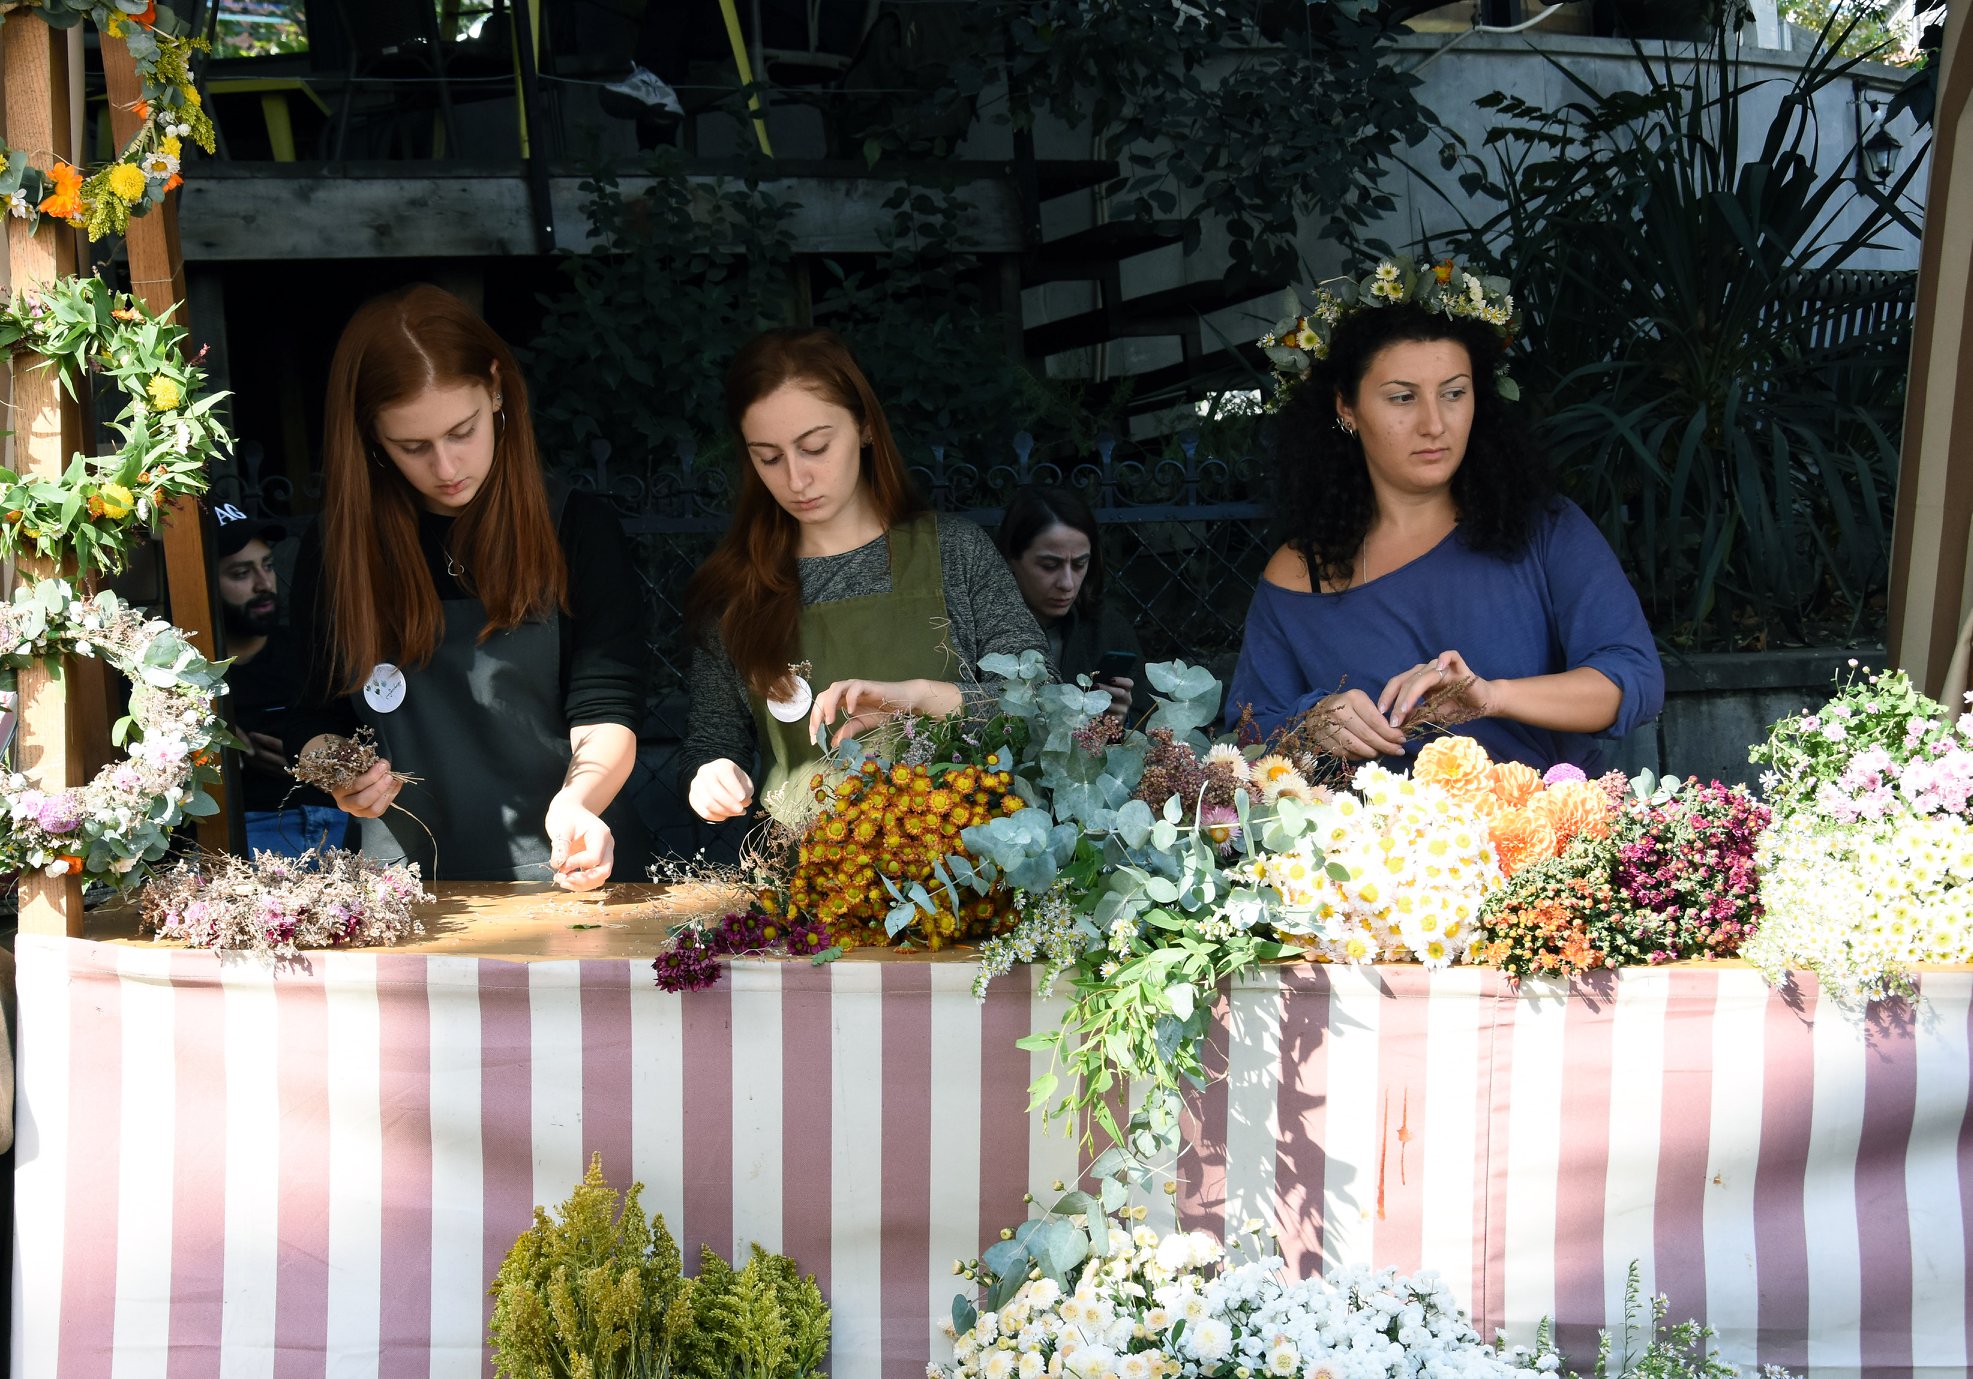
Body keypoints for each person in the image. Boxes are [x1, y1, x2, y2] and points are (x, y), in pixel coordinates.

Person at [1224, 259, 1663, 773]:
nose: (1434, 423)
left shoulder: (1544, 527)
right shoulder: (1299, 573)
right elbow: (1244, 741)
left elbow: (1635, 680)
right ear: (1347, 408)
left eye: (1454, 393)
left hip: (1547, 817)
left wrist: (1492, 696)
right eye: (1402, 398)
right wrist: (1311, 724)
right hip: (1366, 826)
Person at [285, 285, 649, 888]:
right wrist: (339, 774)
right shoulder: (338, 548)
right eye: (413, 447)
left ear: (497, 388)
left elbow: (606, 705)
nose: (446, 468)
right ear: (371, 435)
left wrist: (578, 801)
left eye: (463, 431)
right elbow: (308, 718)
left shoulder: (576, 526)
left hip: (575, 863)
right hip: (400, 889)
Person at [680, 326, 1047, 822]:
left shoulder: (955, 553)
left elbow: (1041, 705)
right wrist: (710, 776)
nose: (796, 479)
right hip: (811, 866)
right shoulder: (737, 592)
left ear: (866, 428)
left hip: (971, 862)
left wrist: (916, 699)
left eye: (815, 447)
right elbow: (711, 741)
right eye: (769, 457)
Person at [211, 502, 353, 856]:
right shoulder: (185, 673)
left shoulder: (310, 653)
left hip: (342, 821)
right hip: (247, 832)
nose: (264, 584)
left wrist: (309, 759)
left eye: (268, 566)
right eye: (241, 573)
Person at [995, 484, 1152, 722]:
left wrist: (1121, 721)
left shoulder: (1108, 629)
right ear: (1010, 558)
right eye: (1049, 566)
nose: (1067, 583)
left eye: (1079, 564)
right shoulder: (981, 631)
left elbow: (1147, 721)